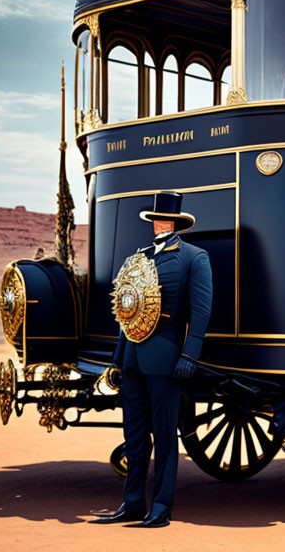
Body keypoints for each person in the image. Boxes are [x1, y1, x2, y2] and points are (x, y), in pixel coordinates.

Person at [90, 191, 212, 528]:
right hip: (132, 358)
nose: (159, 223)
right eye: (155, 218)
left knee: (164, 435)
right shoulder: (137, 259)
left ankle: (160, 507)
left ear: (175, 223)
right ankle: (131, 503)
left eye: (165, 219)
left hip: (166, 357)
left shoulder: (193, 258)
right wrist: (117, 359)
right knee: (134, 434)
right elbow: (126, 311)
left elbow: (201, 312)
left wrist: (190, 353)